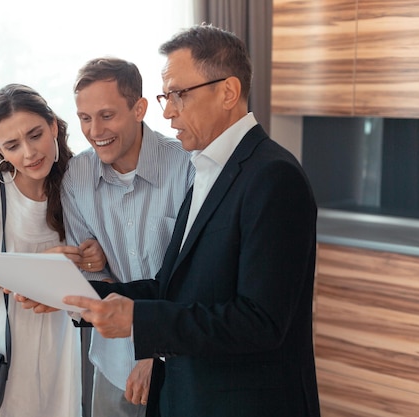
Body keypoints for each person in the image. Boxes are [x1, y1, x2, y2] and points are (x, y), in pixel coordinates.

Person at [64, 25, 321, 417]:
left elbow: (260, 321)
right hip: (190, 395)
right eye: (168, 96)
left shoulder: (273, 176)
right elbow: (173, 287)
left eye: (179, 94)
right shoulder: (207, 168)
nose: (167, 110)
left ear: (228, 92)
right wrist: (67, 296)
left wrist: (140, 319)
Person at [0, 83, 106, 417]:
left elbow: (85, 265)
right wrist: (35, 265)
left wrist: (94, 258)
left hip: (53, 347)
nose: (29, 153)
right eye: (12, 145)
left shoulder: (76, 181)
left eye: (35, 135)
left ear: (53, 127)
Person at [60, 58, 194, 417]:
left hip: (183, 359)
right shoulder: (77, 177)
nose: (94, 130)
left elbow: (196, 279)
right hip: (114, 364)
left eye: (106, 115)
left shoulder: (187, 165)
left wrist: (156, 351)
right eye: (84, 118)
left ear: (139, 108)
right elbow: (88, 277)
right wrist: (92, 266)